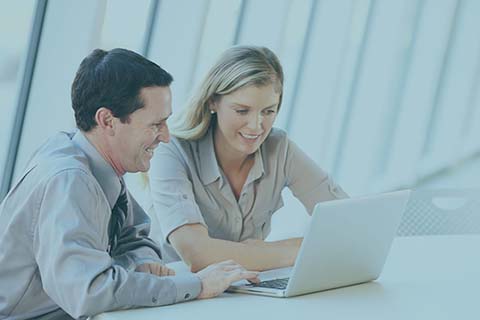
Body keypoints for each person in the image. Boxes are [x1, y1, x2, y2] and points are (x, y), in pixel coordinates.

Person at [0, 48, 257, 320]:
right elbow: (91, 291)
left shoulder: (95, 164)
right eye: (156, 124)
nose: (166, 137)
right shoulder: (69, 180)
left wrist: (141, 262)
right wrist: (197, 285)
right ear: (107, 121)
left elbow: (136, 235)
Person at [148, 45, 348, 273]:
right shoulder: (172, 150)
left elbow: (346, 222)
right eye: (242, 111)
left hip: (244, 292)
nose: (256, 126)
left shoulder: (279, 148)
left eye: (268, 111)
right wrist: (296, 249)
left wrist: (263, 253)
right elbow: (196, 254)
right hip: (175, 294)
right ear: (213, 101)